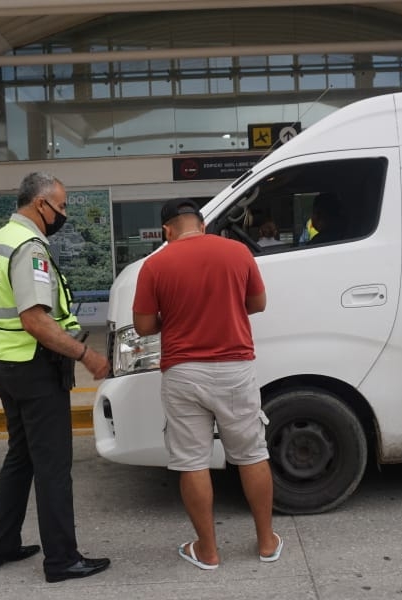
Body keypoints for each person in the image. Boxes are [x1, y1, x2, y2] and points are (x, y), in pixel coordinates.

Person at [0, 172, 112, 583]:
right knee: (52, 466)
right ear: (41, 204)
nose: (65, 214)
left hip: (3, 363)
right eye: (63, 206)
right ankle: (62, 560)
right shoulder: (29, 248)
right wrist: (86, 354)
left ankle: (0, 544)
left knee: (20, 457)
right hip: (33, 368)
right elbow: (35, 320)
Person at [133, 198, 281, 570]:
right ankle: (266, 542)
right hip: (235, 368)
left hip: (184, 372)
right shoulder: (236, 252)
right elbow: (258, 303)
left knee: (193, 462)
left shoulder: (154, 265)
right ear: (200, 223)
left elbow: (145, 326)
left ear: (167, 229)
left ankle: (208, 551)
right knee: (251, 454)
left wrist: (178, 318)